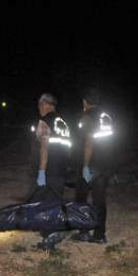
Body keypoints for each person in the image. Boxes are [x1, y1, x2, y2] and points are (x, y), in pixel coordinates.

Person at [71, 88, 115, 244]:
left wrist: (85, 165)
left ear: (85, 102)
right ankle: (100, 234)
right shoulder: (107, 117)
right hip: (105, 165)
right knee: (99, 201)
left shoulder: (87, 117)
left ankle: (83, 231)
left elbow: (89, 142)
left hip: (91, 166)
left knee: (81, 200)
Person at [33, 93, 72, 250]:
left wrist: (42, 171)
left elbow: (44, 147)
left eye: (39, 105)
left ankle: (50, 237)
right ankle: (49, 230)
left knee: (49, 203)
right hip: (62, 168)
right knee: (54, 200)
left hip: (50, 168)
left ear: (44, 104)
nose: (38, 109)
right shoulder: (62, 122)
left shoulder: (45, 121)